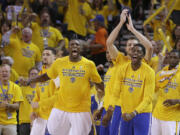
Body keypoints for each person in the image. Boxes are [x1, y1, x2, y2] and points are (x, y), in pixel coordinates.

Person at [24, 39, 104, 135]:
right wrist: (31, 80)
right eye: (72, 45)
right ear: (68, 48)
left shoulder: (89, 64)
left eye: (77, 45)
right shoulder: (59, 62)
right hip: (61, 108)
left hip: (81, 109)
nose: (74, 46)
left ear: (81, 49)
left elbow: (99, 83)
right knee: (52, 132)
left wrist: (105, 94)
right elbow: (46, 76)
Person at [105, 9, 153, 135]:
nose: (132, 47)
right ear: (126, 48)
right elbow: (109, 42)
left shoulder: (144, 63)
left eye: (135, 45)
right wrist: (121, 23)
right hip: (120, 106)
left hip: (140, 107)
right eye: (130, 45)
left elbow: (149, 47)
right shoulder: (121, 59)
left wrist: (132, 29)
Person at [113, 44, 155, 135]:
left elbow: (148, 98)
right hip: (126, 112)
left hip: (142, 113)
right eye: (133, 51)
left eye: (139, 52)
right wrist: (122, 111)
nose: (135, 53)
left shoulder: (149, 72)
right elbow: (117, 91)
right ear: (130, 53)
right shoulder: (123, 68)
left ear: (143, 56)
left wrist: (134, 113)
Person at [151, 50, 180, 135]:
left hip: (172, 118)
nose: (172, 60)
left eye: (175, 58)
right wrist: (160, 62)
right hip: (157, 115)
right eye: (170, 57)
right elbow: (154, 86)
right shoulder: (163, 72)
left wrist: (177, 101)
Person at [30, 47, 57, 135]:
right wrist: (33, 111)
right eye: (44, 55)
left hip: (53, 116)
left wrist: (40, 104)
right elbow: (37, 96)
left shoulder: (57, 74)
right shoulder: (41, 74)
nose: (45, 57)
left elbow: (59, 96)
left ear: (54, 57)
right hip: (40, 116)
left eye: (48, 54)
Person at [0, 64, 23, 135]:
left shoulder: (16, 87)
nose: (4, 73)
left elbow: (17, 106)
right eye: (2, 71)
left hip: (10, 122)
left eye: (6, 71)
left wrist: (8, 105)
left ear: (10, 74)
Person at [19, 67, 39, 135]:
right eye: (32, 74)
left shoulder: (42, 89)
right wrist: (20, 81)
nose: (33, 75)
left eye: (35, 74)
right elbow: (13, 87)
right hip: (25, 122)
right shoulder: (22, 89)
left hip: (38, 121)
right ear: (28, 76)